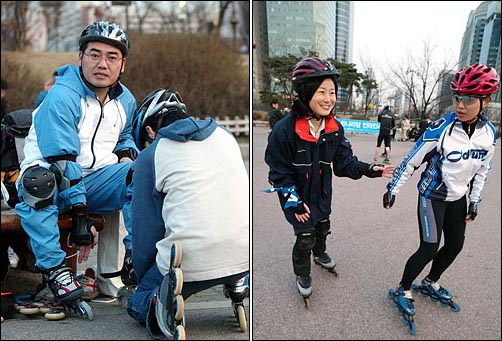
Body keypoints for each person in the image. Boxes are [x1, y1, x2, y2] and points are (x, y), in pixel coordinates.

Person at [14, 21, 138, 304]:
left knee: (143, 173)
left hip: (96, 181)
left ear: (123, 64)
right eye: (94, 55)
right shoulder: (62, 95)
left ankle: (135, 259)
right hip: (54, 183)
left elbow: (126, 136)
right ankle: (55, 270)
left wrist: (126, 156)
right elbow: (62, 161)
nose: (102, 64)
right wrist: (80, 214)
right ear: (80, 57)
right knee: (39, 183)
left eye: (112, 57)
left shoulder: (126, 100)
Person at [264, 57, 394, 301]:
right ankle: (302, 272)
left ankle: (320, 253)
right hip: (298, 200)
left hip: (322, 196)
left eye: (332, 92)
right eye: (321, 91)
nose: (328, 98)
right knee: (304, 238)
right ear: (305, 93)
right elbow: (278, 174)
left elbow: (344, 164)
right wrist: (293, 201)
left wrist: (369, 169)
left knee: (322, 229)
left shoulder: (334, 128)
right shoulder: (284, 130)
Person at [127, 89, 249, 339]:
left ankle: (159, 303)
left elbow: (145, 231)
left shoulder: (151, 155)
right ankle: (236, 283)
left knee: (136, 302)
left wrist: (143, 275)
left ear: (150, 130)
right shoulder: (225, 136)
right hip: (243, 253)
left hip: (188, 265)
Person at [383, 63, 499, 321]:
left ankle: (430, 281)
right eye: (457, 97)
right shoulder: (440, 129)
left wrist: (475, 200)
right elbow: (412, 161)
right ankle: (403, 288)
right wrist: (393, 189)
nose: (460, 104)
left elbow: (482, 170)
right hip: (432, 197)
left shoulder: (489, 133)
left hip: (457, 197)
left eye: (469, 99)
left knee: (456, 245)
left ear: (486, 100)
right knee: (429, 248)